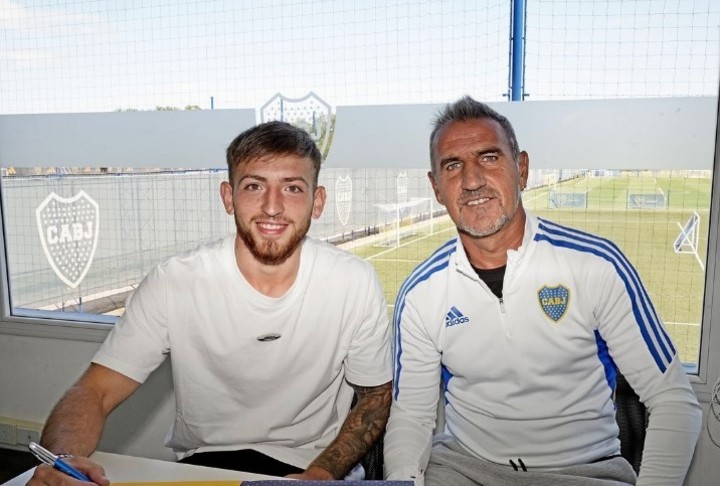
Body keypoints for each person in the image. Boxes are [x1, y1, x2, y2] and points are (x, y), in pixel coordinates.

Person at [29, 121, 392, 485]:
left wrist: (321, 473)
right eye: (254, 186)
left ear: (318, 201)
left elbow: (375, 396)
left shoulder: (353, 281)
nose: (272, 206)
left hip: (312, 464)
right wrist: (61, 461)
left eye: (292, 188)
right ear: (228, 197)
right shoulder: (174, 282)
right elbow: (95, 389)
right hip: (206, 466)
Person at [383, 96, 702, 486]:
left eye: (489, 157)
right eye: (453, 165)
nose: (471, 181)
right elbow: (412, 416)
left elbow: (673, 400)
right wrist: (402, 480)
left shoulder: (595, 264)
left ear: (522, 169)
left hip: (586, 472)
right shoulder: (420, 292)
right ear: (436, 187)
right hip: (465, 469)